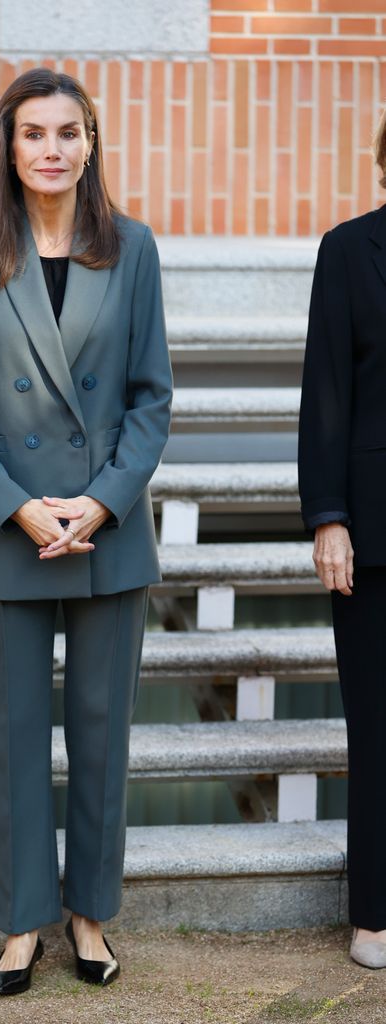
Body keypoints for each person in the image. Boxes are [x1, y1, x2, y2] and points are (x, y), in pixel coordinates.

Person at [0, 68, 172, 994]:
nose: (52, 149)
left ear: (91, 143)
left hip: (107, 528)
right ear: (9, 145)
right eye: (34, 134)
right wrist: (19, 504)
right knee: (18, 736)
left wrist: (102, 501)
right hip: (7, 527)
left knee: (102, 736)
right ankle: (24, 921)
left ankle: (90, 914)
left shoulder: (133, 248)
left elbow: (152, 396)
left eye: (69, 132)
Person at [298, 111, 386, 969]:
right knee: (377, 728)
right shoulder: (348, 250)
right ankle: (374, 912)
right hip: (375, 528)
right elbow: (324, 388)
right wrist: (329, 515)